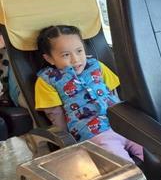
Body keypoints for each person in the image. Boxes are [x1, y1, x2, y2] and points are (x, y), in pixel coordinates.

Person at [34, 25, 143, 165]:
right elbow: (55, 114)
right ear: (49, 58)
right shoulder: (47, 80)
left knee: (155, 152)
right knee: (125, 167)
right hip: (94, 133)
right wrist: (68, 142)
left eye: (79, 51)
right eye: (66, 55)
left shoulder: (97, 65)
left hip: (123, 122)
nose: (75, 59)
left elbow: (114, 93)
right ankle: (136, 178)